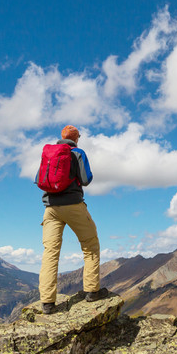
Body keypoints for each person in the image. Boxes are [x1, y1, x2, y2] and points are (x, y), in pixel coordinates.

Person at [38, 125, 112, 313]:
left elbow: (39, 178)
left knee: (50, 253)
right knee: (90, 244)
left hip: (50, 208)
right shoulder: (78, 153)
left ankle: (47, 303)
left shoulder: (49, 154)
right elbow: (86, 179)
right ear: (76, 138)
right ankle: (92, 291)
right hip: (73, 205)